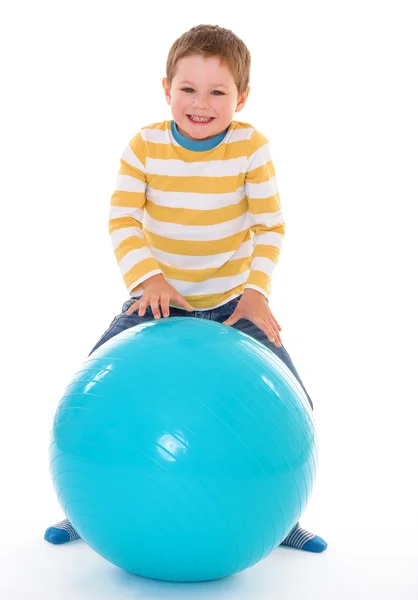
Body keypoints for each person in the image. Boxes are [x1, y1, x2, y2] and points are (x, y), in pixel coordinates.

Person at [45, 24, 327, 554]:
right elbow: (123, 217)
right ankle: (84, 508)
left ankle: (280, 514)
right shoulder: (145, 146)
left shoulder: (251, 147)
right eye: (188, 89)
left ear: (241, 98)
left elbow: (270, 226)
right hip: (156, 302)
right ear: (165, 89)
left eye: (218, 92)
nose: (201, 103)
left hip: (230, 303)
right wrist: (147, 278)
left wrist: (256, 292)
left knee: (294, 402)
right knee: (94, 395)